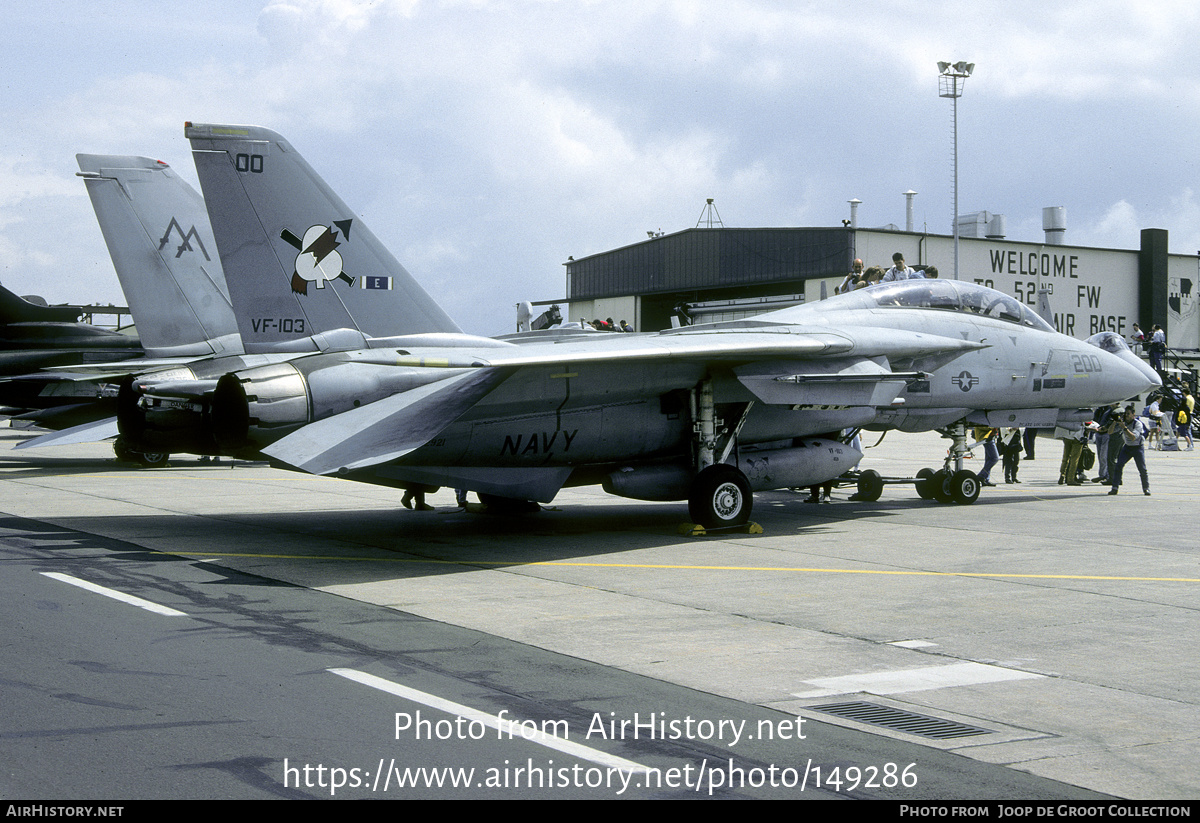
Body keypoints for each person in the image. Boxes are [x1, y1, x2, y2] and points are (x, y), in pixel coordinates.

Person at [1109, 406, 1151, 495]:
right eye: (1125, 414)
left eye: (1128, 414)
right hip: (1127, 447)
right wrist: (1115, 422)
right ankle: (1115, 487)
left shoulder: (1137, 424)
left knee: (1142, 469)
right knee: (1118, 465)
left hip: (1137, 447)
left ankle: (1146, 488)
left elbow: (1133, 437)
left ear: (1133, 414)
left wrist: (1124, 428)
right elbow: (1110, 432)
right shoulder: (1124, 423)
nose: (1126, 416)